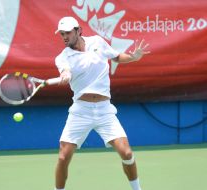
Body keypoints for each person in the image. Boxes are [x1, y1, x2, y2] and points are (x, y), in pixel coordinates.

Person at [54, 16, 150, 190]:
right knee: (63, 157)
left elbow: (116, 57)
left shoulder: (98, 42)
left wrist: (134, 57)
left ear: (78, 30)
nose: (65, 37)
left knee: (126, 153)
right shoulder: (63, 57)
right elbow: (65, 70)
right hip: (80, 111)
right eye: (62, 34)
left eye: (68, 32)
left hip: (105, 110)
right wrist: (66, 74)